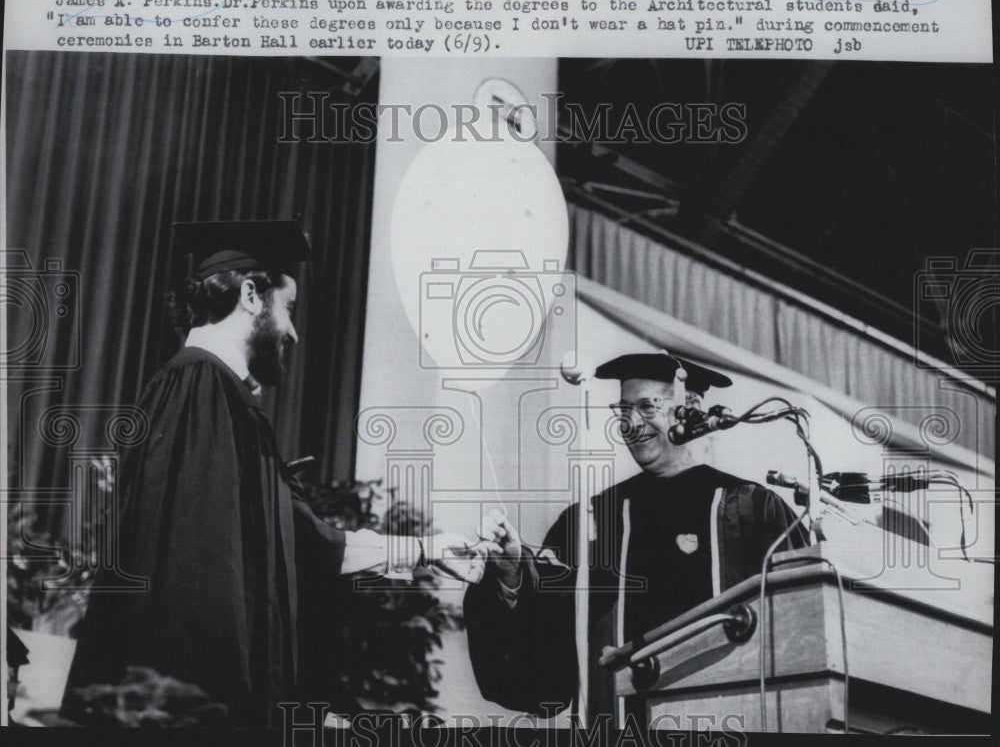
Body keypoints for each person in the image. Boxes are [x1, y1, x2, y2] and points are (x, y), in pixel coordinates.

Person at [64, 220, 480, 727]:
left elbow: (301, 544)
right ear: (250, 296)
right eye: (291, 310)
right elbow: (190, 586)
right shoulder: (199, 386)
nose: (294, 332)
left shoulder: (222, 397)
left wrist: (426, 549)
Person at [465, 351, 809, 721]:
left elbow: (801, 629)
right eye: (623, 410)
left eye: (646, 407)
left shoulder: (748, 509)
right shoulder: (589, 523)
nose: (630, 423)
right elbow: (542, 669)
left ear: (690, 408)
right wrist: (512, 577)